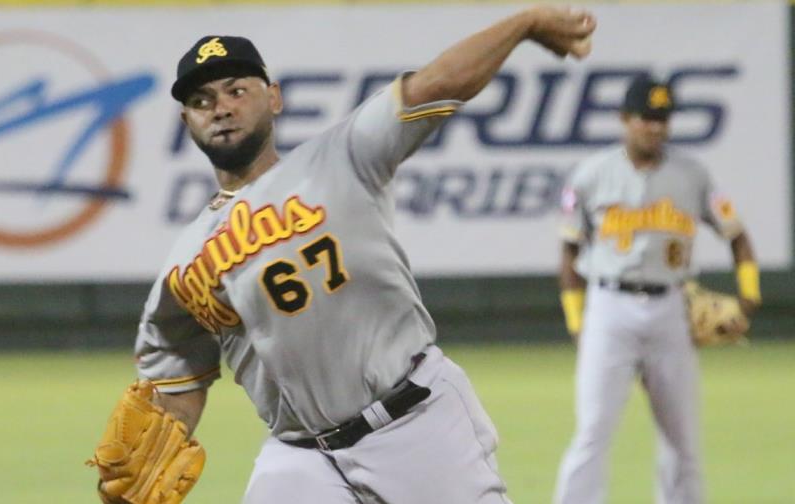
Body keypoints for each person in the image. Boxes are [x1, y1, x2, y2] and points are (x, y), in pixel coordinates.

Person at [98, 6, 595, 503]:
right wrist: (140, 468)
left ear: (273, 98)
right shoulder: (186, 261)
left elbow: (437, 85)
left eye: (236, 89)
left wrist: (523, 25)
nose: (221, 107)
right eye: (202, 100)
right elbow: (177, 380)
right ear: (187, 120)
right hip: (300, 455)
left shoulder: (343, 156)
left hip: (414, 421)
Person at [553, 75, 762, 504]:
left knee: (682, 438)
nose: (656, 127)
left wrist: (748, 297)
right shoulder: (592, 175)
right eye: (647, 118)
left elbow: (737, 236)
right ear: (625, 120)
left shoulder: (692, 174)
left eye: (663, 118)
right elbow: (569, 253)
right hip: (609, 308)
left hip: (671, 311)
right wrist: (578, 322)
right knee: (593, 430)